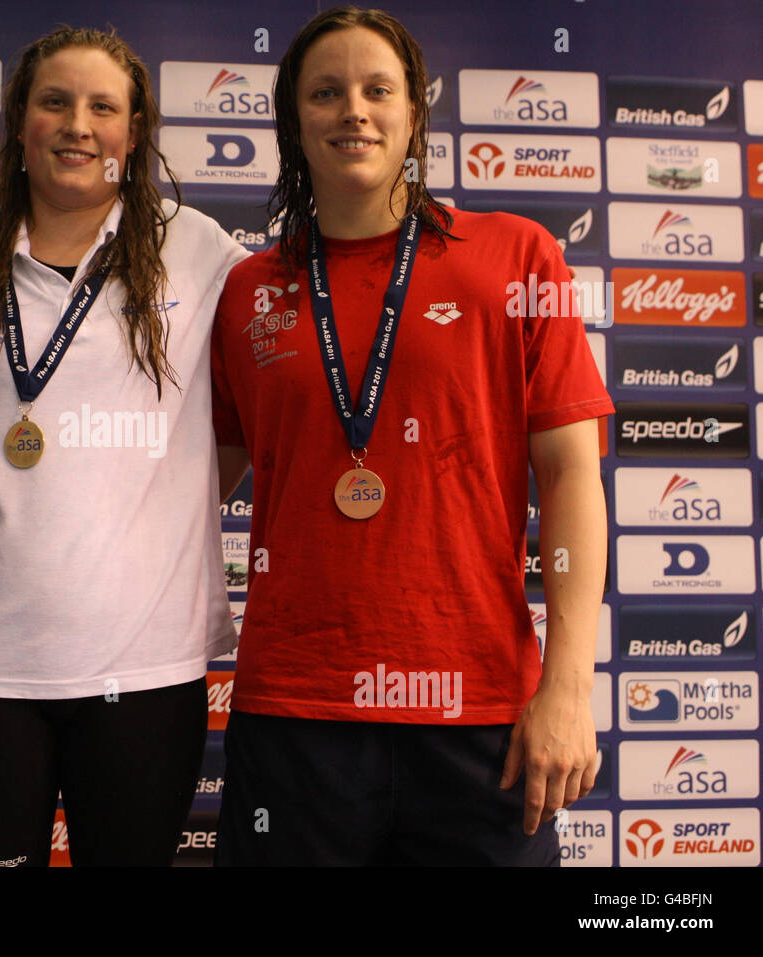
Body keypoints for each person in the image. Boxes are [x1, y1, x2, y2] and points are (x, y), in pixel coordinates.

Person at [210, 6, 613, 865]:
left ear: (412, 115)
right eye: (326, 92)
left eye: (376, 89)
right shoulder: (249, 289)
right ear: (293, 121)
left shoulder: (518, 257)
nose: (353, 110)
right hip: (296, 714)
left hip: (481, 714)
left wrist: (569, 685)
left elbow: (573, 476)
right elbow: (195, 482)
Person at [0, 26, 249, 867]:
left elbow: (238, 429)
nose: (77, 125)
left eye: (103, 107)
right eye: (55, 101)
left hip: (147, 666)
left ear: (135, 131)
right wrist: (8, 519)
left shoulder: (198, 251)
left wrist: (165, 493)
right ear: (20, 121)